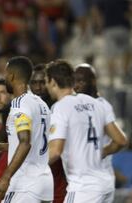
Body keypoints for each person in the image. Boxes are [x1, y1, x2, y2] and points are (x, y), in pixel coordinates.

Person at [46, 60, 128, 203]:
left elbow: (55, 151)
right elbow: (121, 140)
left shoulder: (60, 107)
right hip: (105, 184)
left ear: (52, 81)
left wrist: (30, 167)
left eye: (46, 82)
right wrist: (100, 153)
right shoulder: (96, 103)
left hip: (83, 187)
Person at [0, 56, 53, 202]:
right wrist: (4, 146)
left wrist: (5, 178)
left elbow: (25, 142)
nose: (4, 78)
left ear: (12, 76)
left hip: (25, 185)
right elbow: (36, 141)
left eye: (5, 74)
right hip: (44, 183)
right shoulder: (41, 104)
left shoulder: (20, 104)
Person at [74, 63, 128, 202]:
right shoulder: (98, 104)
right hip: (105, 180)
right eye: (74, 81)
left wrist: (99, 153)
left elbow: (121, 140)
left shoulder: (98, 106)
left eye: (81, 81)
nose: (76, 85)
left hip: (88, 182)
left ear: (93, 81)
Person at [30, 64, 67, 203]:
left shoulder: (59, 108)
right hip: (33, 171)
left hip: (57, 169)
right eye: (34, 83)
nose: (38, 87)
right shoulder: (25, 109)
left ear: (50, 83)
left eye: (42, 82)